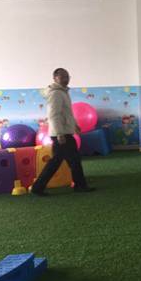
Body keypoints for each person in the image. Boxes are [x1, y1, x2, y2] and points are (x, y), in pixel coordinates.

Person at [30, 68, 94, 196]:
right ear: (55, 78)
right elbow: (54, 115)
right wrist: (59, 133)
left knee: (70, 160)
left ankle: (79, 185)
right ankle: (38, 188)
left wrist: (75, 125)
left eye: (67, 76)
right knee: (61, 161)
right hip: (61, 134)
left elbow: (67, 113)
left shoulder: (63, 92)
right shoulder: (56, 93)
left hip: (65, 132)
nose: (66, 79)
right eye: (62, 77)